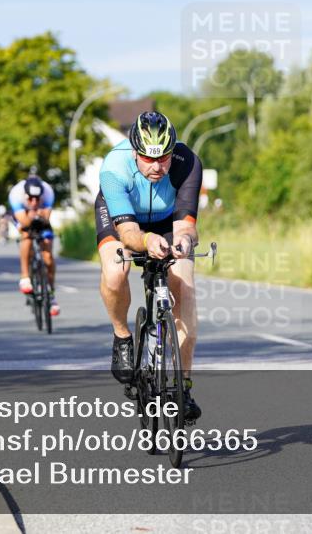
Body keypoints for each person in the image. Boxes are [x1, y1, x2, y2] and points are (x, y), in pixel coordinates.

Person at [95, 111, 203, 422]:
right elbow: (128, 235)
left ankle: (183, 387)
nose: (156, 167)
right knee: (117, 272)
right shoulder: (113, 169)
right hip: (123, 218)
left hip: (167, 221)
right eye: (147, 158)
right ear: (134, 152)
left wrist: (184, 243)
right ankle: (122, 336)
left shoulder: (187, 162)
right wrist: (147, 241)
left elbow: (186, 226)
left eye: (163, 158)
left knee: (186, 295)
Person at [8, 175, 59, 316]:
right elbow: (24, 222)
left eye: (37, 198)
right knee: (26, 236)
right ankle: (25, 276)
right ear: (25, 196)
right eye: (30, 198)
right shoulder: (16, 194)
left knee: (48, 256)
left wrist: (39, 215)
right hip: (21, 216)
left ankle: (51, 294)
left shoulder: (48, 192)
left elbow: (45, 218)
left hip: (40, 219)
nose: (34, 202)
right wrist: (33, 214)